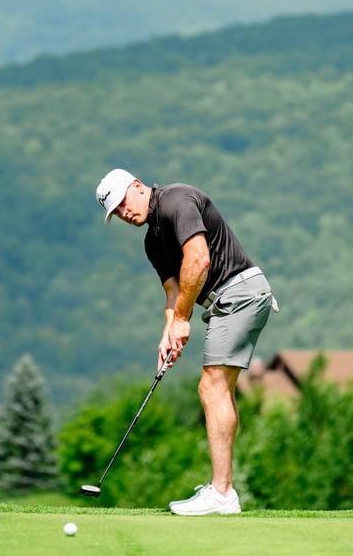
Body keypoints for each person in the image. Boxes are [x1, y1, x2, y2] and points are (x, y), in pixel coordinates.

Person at [95, 168, 278, 515]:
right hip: (225, 302)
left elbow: (199, 259)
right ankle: (223, 490)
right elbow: (173, 292)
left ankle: (222, 493)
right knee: (217, 387)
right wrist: (169, 333)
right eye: (115, 213)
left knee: (211, 387)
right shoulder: (152, 241)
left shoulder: (177, 200)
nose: (123, 213)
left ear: (137, 186)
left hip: (240, 293)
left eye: (122, 204)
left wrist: (182, 320)